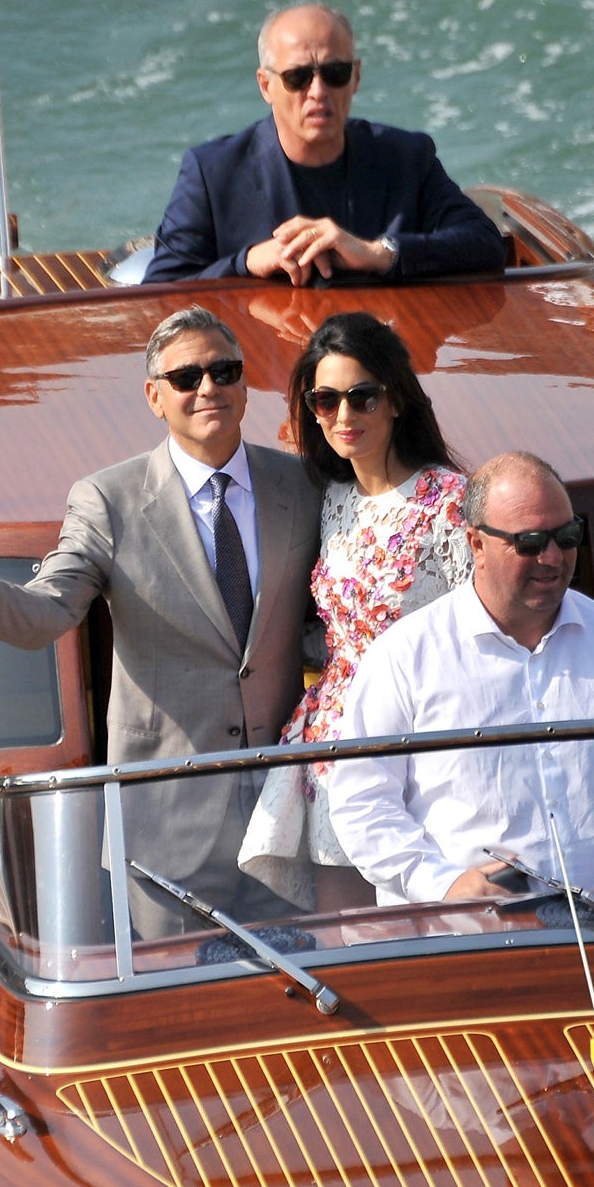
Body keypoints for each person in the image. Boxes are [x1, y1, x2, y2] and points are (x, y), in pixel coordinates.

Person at [0, 306, 322, 934]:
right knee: (176, 1009)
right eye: (186, 377)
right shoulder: (108, 500)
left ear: (245, 384)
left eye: (225, 370)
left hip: (286, 812)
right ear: (154, 397)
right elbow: (46, 613)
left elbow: (324, 618)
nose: (208, 388)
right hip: (168, 827)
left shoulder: (301, 485)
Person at [328, 453, 594, 905]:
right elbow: (362, 805)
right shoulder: (403, 657)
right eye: (529, 542)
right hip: (472, 942)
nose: (552, 557)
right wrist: (442, 883)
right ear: (476, 544)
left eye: (566, 537)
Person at [237, 311, 472, 906]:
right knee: (348, 941)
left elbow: (484, 631)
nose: (344, 417)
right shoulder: (330, 499)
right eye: (326, 400)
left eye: (362, 397)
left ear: (396, 400)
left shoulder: (450, 503)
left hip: (430, 741)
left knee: (439, 918)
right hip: (337, 742)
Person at [142, 3, 505, 285]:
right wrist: (248, 261)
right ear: (266, 85)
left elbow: (484, 245)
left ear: (356, 77)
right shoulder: (212, 172)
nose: (318, 92)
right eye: (298, 77)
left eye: (334, 74)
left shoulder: (407, 157)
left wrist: (378, 254)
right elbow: (161, 290)